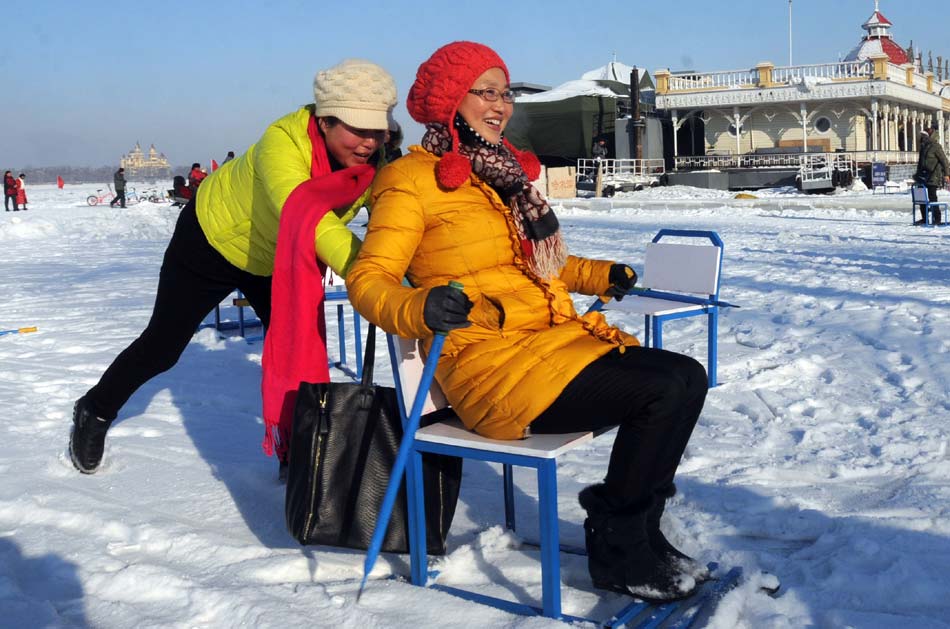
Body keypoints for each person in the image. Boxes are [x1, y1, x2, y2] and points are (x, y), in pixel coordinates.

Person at [347, 41, 708, 603]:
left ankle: (639, 529)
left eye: (505, 93)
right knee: (659, 391)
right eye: (484, 92)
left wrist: (599, 273)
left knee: (687, 376)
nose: (500, 105)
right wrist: (419, 308)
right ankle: (617, 543)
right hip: (491, 371)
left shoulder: (501, 175)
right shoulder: (410, 181)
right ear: (450, 101)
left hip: (546, 343)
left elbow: (541, 264)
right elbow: (368, 280)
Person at [68, 59, 397, 476]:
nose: (369, 142)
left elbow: (391, 210)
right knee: (163, 347)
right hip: (211, 241)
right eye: (357, 129)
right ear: (326, 120)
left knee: (299, 350)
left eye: (376, 129)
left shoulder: (372, 162)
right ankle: (94, 410)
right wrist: (369, 271)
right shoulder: (283, 142)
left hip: (276, 259)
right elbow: (307, 216)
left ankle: (296, 449)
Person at [914, 128, 949, 224]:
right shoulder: (923, 147)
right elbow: (920, 163)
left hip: (933, 176)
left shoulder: (936, 147)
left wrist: (946, 174)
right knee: (920, 197)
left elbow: (944, 161)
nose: (922, 137)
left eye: (925, 135)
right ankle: (924, 218)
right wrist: (917, 175)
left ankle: (936, 219)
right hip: (922, 176)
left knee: (932, 197)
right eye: (922, 136)